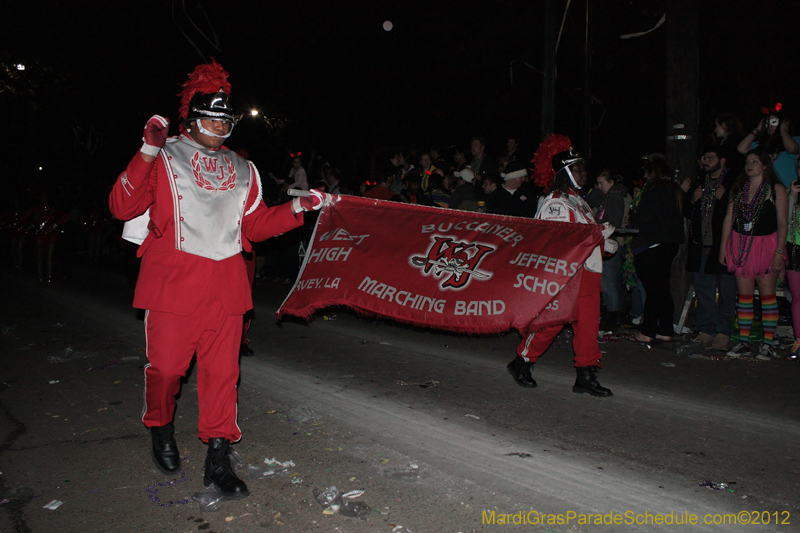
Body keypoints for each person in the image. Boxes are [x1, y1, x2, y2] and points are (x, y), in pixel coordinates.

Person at [108, 60, 326, 499]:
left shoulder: (244, 169)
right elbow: (122, 206)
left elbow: (254, 226)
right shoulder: (165, 156)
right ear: (191, 117)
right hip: (172, 282)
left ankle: (219, 457)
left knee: (222, 375)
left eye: (225, 119)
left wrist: (298, 210)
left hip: (226, 285)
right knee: (168, 370)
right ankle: (160, 426)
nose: (218, 126)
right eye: (211, 117)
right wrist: (147, 150)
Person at [506, 134, 617, 397]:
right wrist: (599, 239)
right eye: (577, 168)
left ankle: (586, 375)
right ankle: (522, 361)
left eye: (582, 167)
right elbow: (561, 242)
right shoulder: (556, 203)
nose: (583, 172)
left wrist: (600, 242)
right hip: (567, 275)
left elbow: (584, 235)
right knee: (552, 323)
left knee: (588, 325)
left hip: (588, 273)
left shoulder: (577, 200)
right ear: (565, 172)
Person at [720, 149, 788, 360]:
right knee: (745, 297)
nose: (750, 165)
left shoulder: (776, 189)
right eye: (748, 162)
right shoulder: (739, 189)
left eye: (755, 161)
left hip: (766, 245)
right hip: (741, 245)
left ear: (765, 165)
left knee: (767, 297)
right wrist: (723, 247)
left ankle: (767, 344)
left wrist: (778, 252)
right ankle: (744, 342)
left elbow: (782, 223)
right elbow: (729, 219)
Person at [628, 155, 685, 343]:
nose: (643, 175)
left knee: (653, 289)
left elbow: (645, 217)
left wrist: (633, 216)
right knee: (661, 288)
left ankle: (648, 330)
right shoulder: (672, 189)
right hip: (668, 244)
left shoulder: (655, 189)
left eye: (645, 170)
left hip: (653, 244)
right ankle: (665, 328)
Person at [684, 147, 736, 350]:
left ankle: (723, 332)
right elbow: (687, 212)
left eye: (710, 158)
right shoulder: (699, 183)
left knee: (726, 290)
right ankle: (705, 330)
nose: (705, 161)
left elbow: (739, 212)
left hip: (723, 246)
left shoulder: (732, 183)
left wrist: (725, 198)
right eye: (703, 158)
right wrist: (692, 199)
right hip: (701, 245)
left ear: (722, 161)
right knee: (703, 290)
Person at [593, 170, 631, 331]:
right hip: (610, 242)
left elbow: (613, 222)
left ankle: (612, 317)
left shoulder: (615, 197)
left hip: (612, 243)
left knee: (609, 283)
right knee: (609, 282)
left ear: (611, 182)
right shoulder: (612, 196)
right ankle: (612, 314)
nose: (599, 187)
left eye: (602, 183)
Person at [737, 103, 800, 188]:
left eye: (774, 122)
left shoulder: (795, 140)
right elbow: (742, 149)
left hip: (789, 189)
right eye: (767, 123)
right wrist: (757, 130)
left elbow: (792, 149)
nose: (770, 126)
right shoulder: (760, 144)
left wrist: (783, 130)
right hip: (767, 191)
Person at [785, 158, 800, 361]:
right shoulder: (794, 190)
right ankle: (798, 340)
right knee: (797, 298)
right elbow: (785, 221)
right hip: (795, 247)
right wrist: (791, 198)